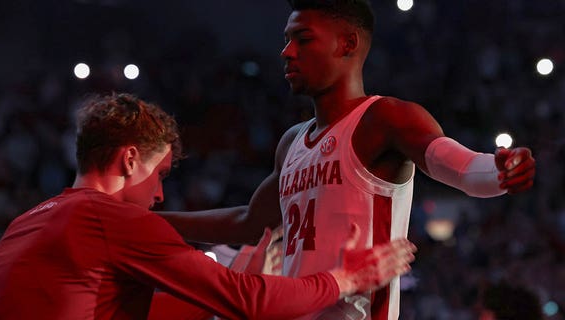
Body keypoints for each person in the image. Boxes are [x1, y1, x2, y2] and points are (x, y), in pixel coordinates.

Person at [156, 1, 536, 319]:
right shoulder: (292, 141)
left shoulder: (385, 117)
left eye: (303, 39)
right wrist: (150, 223)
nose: (287, 52)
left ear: (347, 43)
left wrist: (499, 171)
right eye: (287, 40)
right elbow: (250, 222)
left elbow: (463, 168)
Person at [0, 93, 417, 320]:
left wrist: (233, 280)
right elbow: (249, 303)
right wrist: (346, 278)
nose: (160, 195)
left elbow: (150, 311)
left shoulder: (26, 221)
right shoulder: (111, 218)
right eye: (160, 174)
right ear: (129, 159)